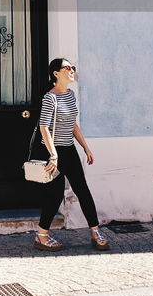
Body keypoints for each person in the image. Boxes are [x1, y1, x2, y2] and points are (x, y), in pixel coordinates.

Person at [33, 57, 108, 251]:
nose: (72, 70)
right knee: (55, 194)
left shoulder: (70, 95)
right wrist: (53, 155)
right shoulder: (50, 98)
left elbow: (73, 124)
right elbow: (43, 127)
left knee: (82, 189)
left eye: (72, 67)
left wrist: (86, 147)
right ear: (56, 73)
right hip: (53, 152)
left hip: (69, 149)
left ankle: (95, 231)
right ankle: (41, 235)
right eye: (67, 68)